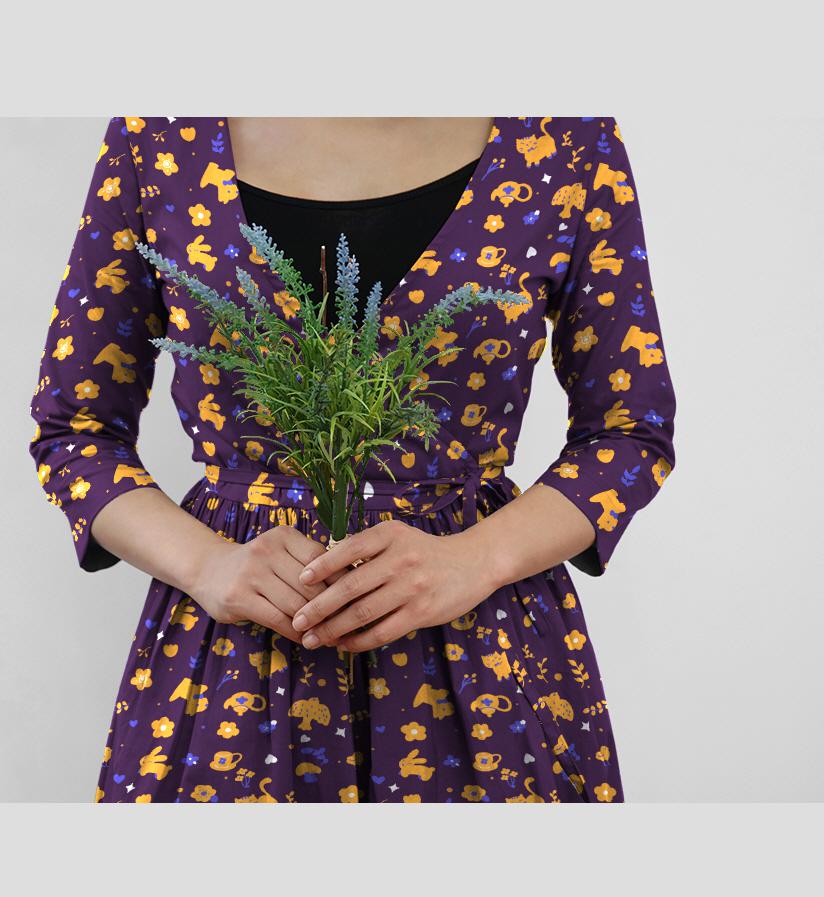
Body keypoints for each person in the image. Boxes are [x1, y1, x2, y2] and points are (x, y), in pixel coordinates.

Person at [27, 115, 677, 803]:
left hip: (481, 656)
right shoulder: (156, 138)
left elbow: (630, 430)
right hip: (235, 658)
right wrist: (205, 563)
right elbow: (75, 429)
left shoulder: (568, 143)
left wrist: (477, 559)